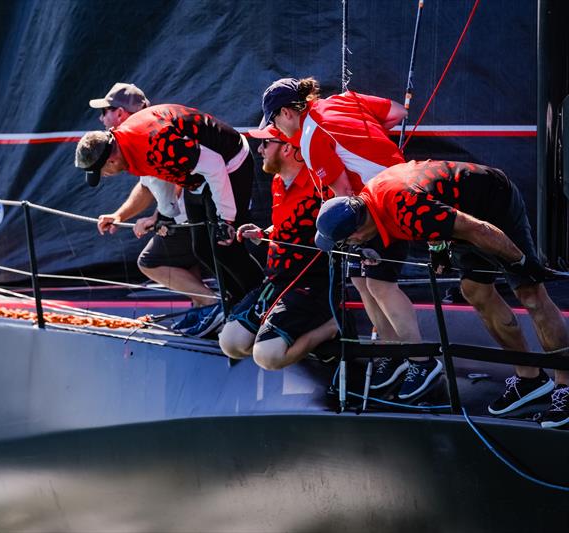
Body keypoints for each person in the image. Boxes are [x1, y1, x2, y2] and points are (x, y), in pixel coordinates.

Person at [314, 159, 569, 428]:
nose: (349, 246)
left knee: (530, 294)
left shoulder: (404, 208)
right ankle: (530, 378)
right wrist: (438, 250)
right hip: (465, 212)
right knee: (475, 291)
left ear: (357, 230)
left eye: (346, 242)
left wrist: (521, 263)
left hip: (494, 201)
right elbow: (434, 207)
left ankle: (565, 386)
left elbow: (477, 228)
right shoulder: (372, 202)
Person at [257, 77, 437, 400]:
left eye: (272, 121)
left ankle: (422, 361)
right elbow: (396, 113)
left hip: (386, 202)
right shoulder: (344, 99)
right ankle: (391, 351)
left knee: (380, 283)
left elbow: (344, 196)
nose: (275, 130)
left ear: (286, 113)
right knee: (360, 278)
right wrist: (368, 143)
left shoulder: (310, 138)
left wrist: (357, 238)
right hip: (401, 185)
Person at [75, 103, 264, 335]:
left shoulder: (156, 143)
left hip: (228, 162)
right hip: (198, 177)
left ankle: (264, 305)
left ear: (111, 161)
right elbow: (155, 176)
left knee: (225, 246)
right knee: (202, 248)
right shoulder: (126, 142)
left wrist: (227, 219)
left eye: (102, 172)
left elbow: (214, 165)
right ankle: (238, 303)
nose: (104, 176)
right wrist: (165, 214)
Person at [88, 83, 219, 333]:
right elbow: (147, 186)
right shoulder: (130, 139)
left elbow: (179, 174)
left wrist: (158, 216)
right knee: (182, 264)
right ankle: (201, 310)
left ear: (120, 113)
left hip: (190, 214)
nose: (101, 118)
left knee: (150, 261)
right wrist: (119, 215)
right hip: (181, 216)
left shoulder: (147, 134)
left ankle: (214, 307)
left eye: (105, 111)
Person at [218, 126, 338, 368]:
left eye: (266, 144)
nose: (259, 149)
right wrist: (263, 233)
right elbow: (286, 225)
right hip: (277, 280)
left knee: (268, 357)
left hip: (309, 284)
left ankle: (331, 327)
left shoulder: (321, 186)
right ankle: (289, 337)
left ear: (286, 148)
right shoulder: (277, 182)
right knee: (230, 343)